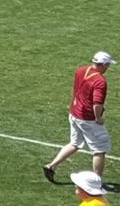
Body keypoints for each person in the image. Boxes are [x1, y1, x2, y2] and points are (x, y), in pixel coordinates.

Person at [41, 51, 114, 183]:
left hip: (74, 112)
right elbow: (97, 103)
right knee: (99, 150)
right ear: (102, 64)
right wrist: (98, 118)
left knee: (75, 143)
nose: (108, 67)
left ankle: (51, 166)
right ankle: (97, 182)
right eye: (107, 65)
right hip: (88, 118)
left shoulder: (81, 70)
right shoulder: (100, 81)